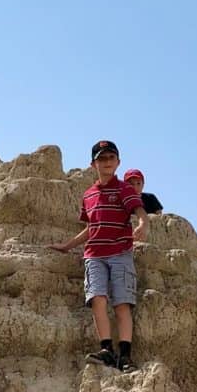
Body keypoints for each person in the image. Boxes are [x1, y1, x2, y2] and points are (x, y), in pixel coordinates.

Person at [50, 139, 147, 372]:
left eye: (111, 158)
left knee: (122, 303)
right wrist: (67, 245)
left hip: (120, 253)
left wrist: (144, 223)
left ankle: (125, 355)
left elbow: (139, 210)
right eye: (102, 158)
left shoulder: (124, 188)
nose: (107, 162)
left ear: (118, 162)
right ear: (93, 164)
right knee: (97, 299)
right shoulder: (89, 195)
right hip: (94, 255)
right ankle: (106, 350)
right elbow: (91, 227)